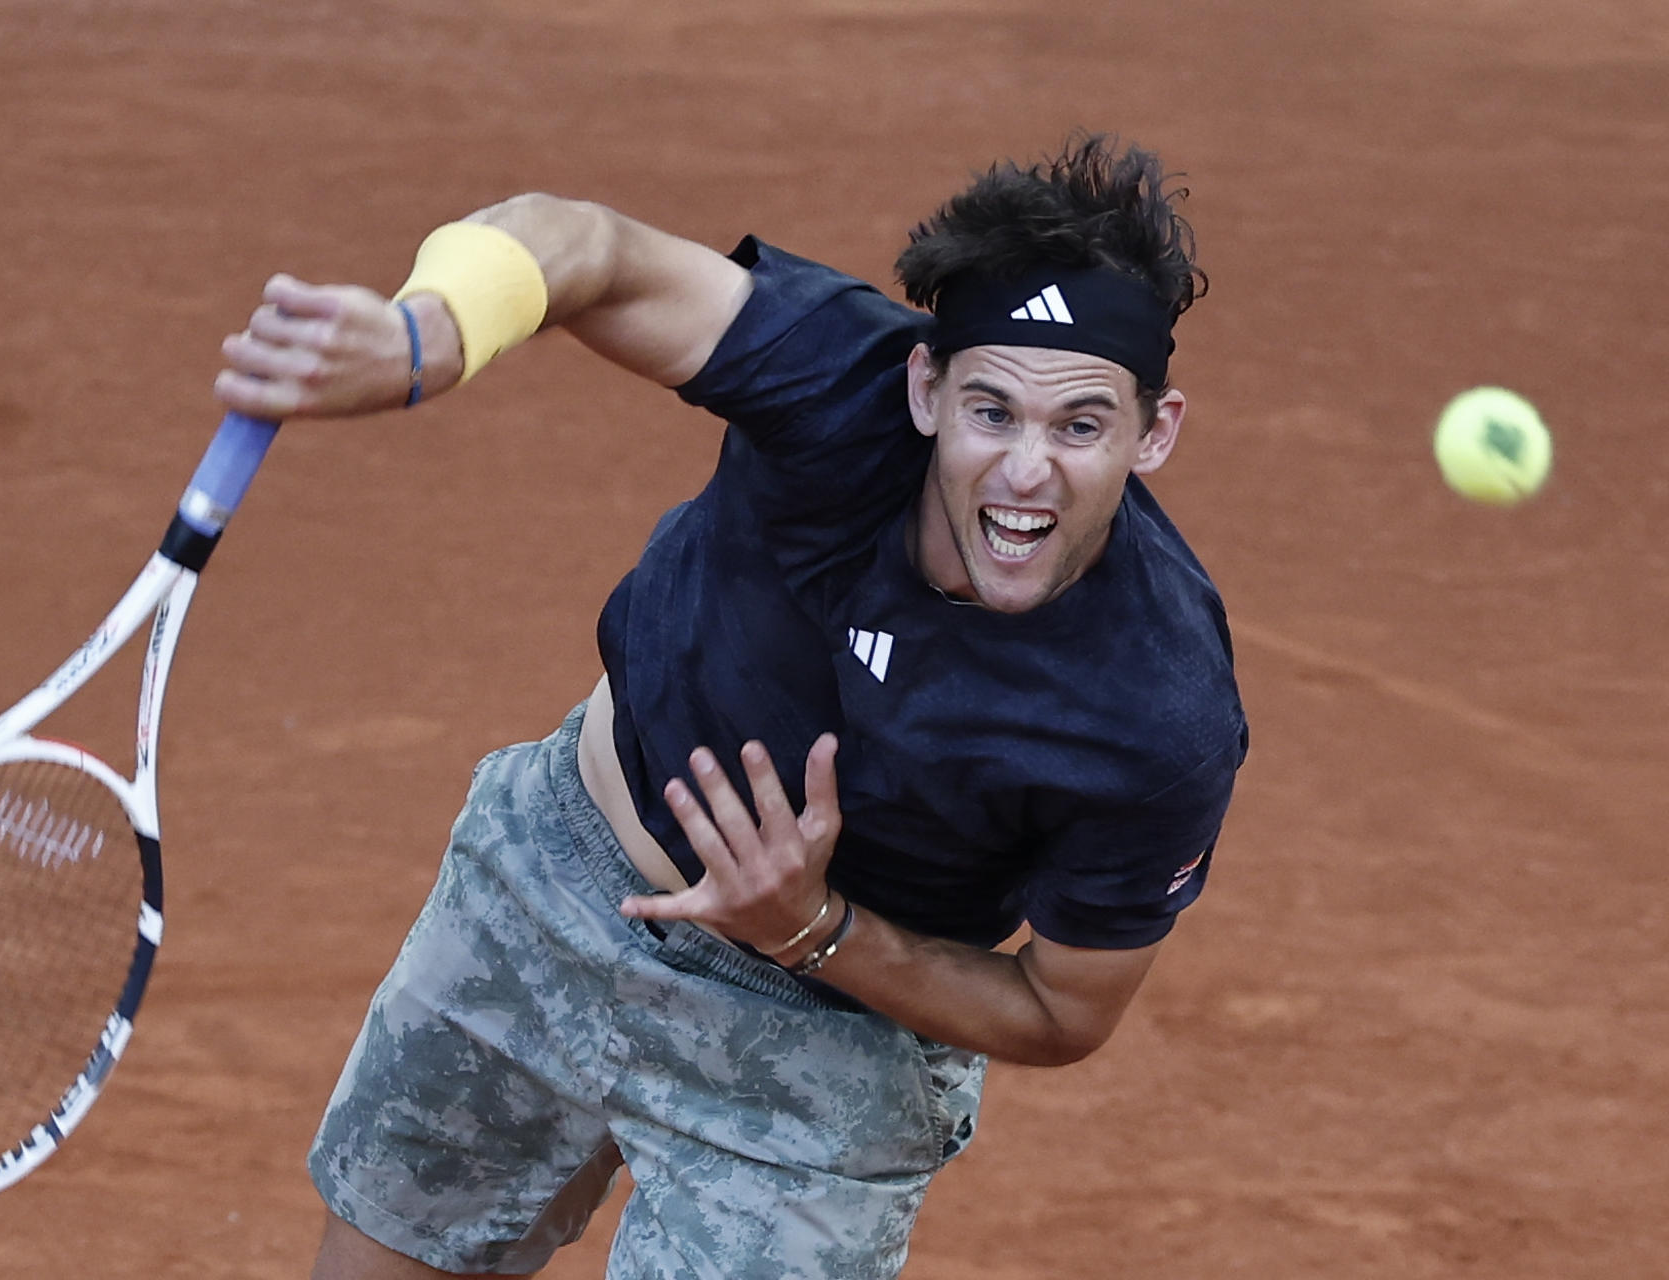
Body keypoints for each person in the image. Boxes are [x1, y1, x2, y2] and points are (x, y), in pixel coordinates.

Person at [214, 132, 1248, 1280]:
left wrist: (814, 929)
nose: (1023, 471)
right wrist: (428, 334)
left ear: (1153, 432)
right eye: (991, 411)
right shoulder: (840, 378)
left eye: (1080, 426)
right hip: (559, 880)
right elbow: (588, 247)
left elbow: (1061, 1010)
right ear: (924, 388)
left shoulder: (1158, 708)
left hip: (831, 1039)